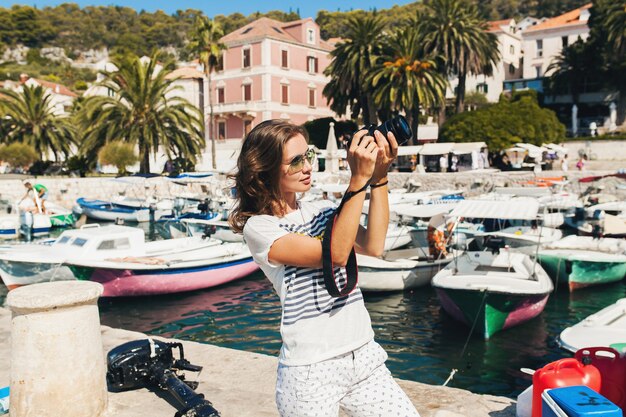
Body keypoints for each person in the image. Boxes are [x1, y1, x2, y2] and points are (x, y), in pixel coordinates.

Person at [229, 120, 420, 417]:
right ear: (265, 170)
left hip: (363, 357)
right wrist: (357, 180)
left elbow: (373, 246)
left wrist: (379, 178)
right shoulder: (261, 228)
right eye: (295, 161)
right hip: (311, 371)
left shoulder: (321, 210)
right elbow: (336, 254)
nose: (307, 167)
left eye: (308, 156)